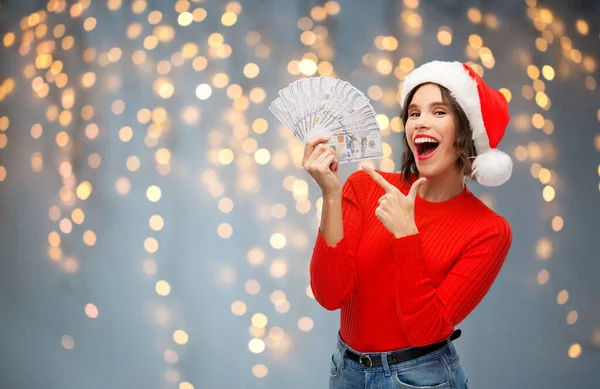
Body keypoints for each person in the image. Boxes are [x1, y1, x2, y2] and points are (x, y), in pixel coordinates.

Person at [302, 60, 513, 389]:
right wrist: (331, 194)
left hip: (421, 378)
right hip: (346, 371)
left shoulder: (489, 231)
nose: (420, 123)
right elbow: (330, 295)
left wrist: (406, 235)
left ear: (466, 131)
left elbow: (426, 330)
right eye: (414, 113)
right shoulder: (364, 186)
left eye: (439, 112)